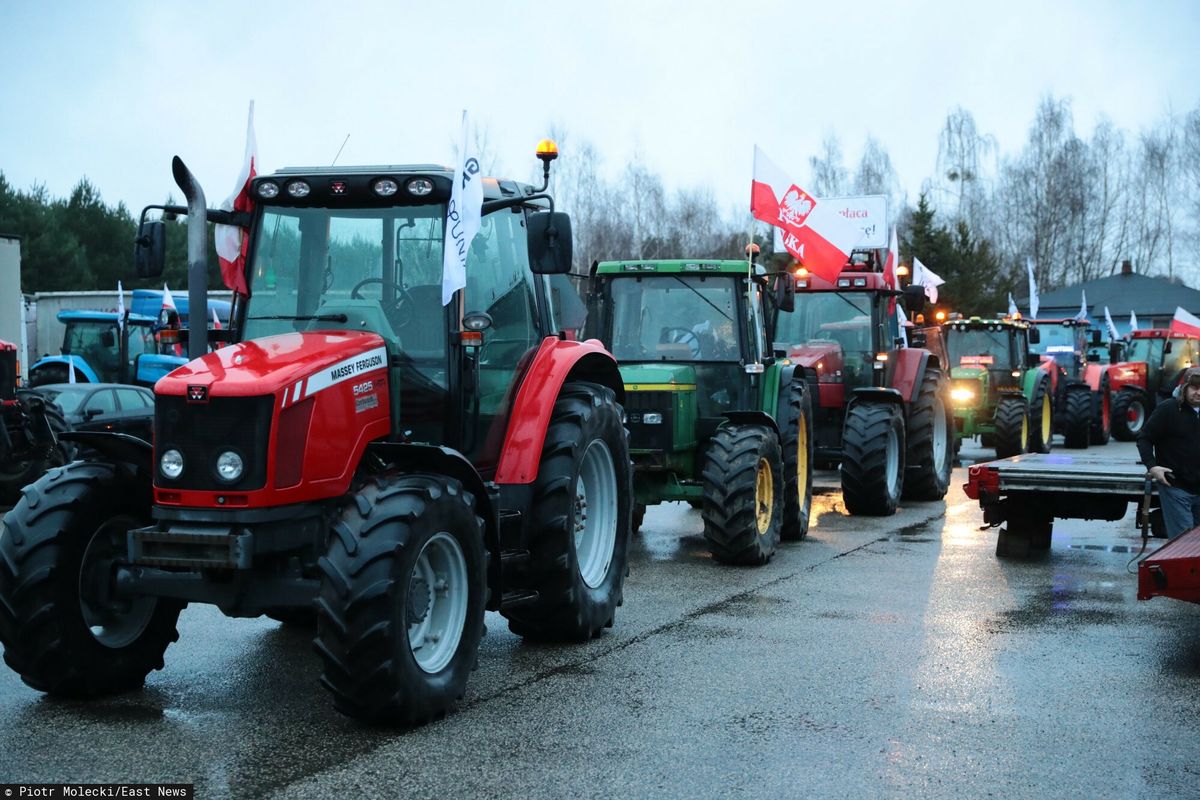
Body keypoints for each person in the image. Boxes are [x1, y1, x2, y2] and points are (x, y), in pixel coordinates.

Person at [1137, 367, 1200, 538]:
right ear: (1184, 387)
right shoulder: (1168, 409)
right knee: (1184, 542)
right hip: (1176, 487)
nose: (1198, 392)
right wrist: (1152, 467)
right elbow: (1144, 439)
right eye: (1194, 387)